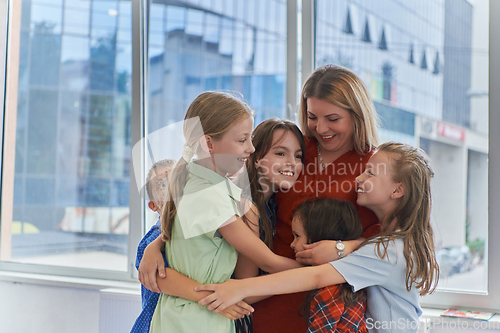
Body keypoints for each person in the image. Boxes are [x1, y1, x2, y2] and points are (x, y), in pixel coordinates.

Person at [196, 142, 440, 333]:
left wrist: (240, 287)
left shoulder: (387, 250)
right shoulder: (393, 243)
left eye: (370, 173)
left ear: (397, 190)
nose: (358, 178)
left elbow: (315, 276)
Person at [147, 91, 301, 333]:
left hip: (188, 317)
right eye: (242, 140)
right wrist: (326, 273)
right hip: (197, 321)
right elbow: (267, 261)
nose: (250, 148)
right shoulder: (211, 194)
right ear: (208, 144)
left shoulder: (197, 182)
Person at [253, 64, 382, 333]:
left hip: (335, 306)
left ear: (357, 115)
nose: (320, 128)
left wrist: (344, 248)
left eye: (332, 119)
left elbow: (395, 239)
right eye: (312, 116)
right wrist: (157, 241)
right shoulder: (293, 149)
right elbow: (237, 191)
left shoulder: (376, 164)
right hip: (269, 296)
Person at [290, 198, 367, 333]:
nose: (292, 244)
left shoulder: (331, 291)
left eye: (297, 236)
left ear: (320, 238)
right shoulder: (347, 281)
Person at [131, 159, 175, 333]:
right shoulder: (154, 240)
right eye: (163, 184)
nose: (172, 186)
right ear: (154, 205)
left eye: (177, 178)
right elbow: (165, 281)